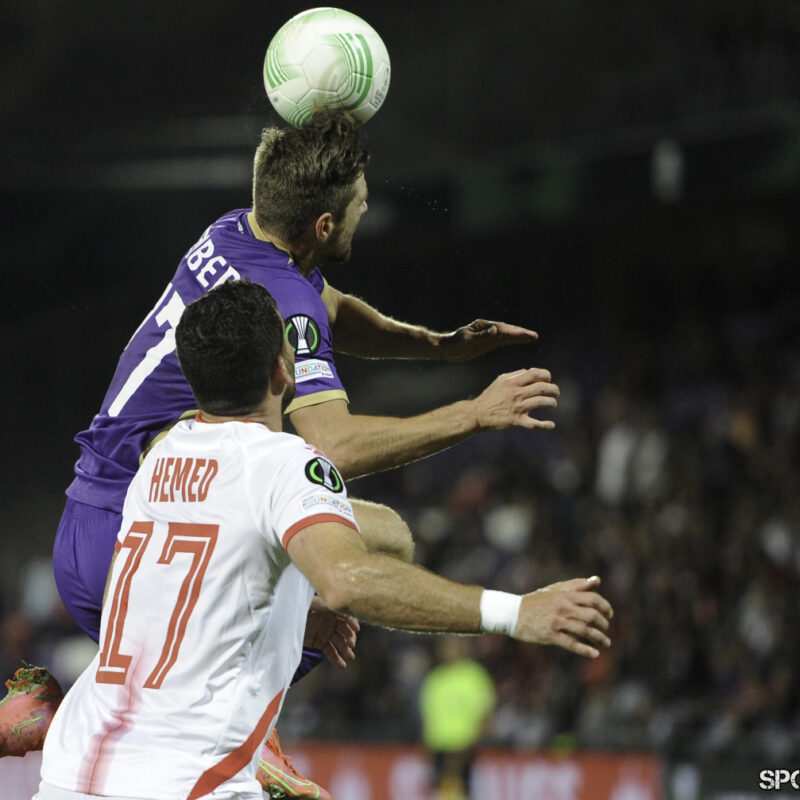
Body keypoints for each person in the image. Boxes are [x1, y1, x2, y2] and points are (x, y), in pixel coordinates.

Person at [1, 108, 560, 798]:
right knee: (379, 545)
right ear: (324, 226)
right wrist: (471, 414)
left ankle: (54, 711)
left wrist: (434, 345)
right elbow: (334, 443)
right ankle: (252, 743)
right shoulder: (287, 310)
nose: (365, 209)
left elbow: (327, 308)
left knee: (333, 556)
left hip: (97, 513)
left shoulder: (234, 232)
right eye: (359, 203)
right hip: (138, 523)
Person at [34, 279, 613, 800]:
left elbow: (178, 595)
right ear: (284, 372)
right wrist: (517, 612)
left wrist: (286, 612)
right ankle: (260, 759)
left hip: (71, 767)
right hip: (184, 782)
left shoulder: (157, 459)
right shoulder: (286, 465)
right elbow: (346, 579)